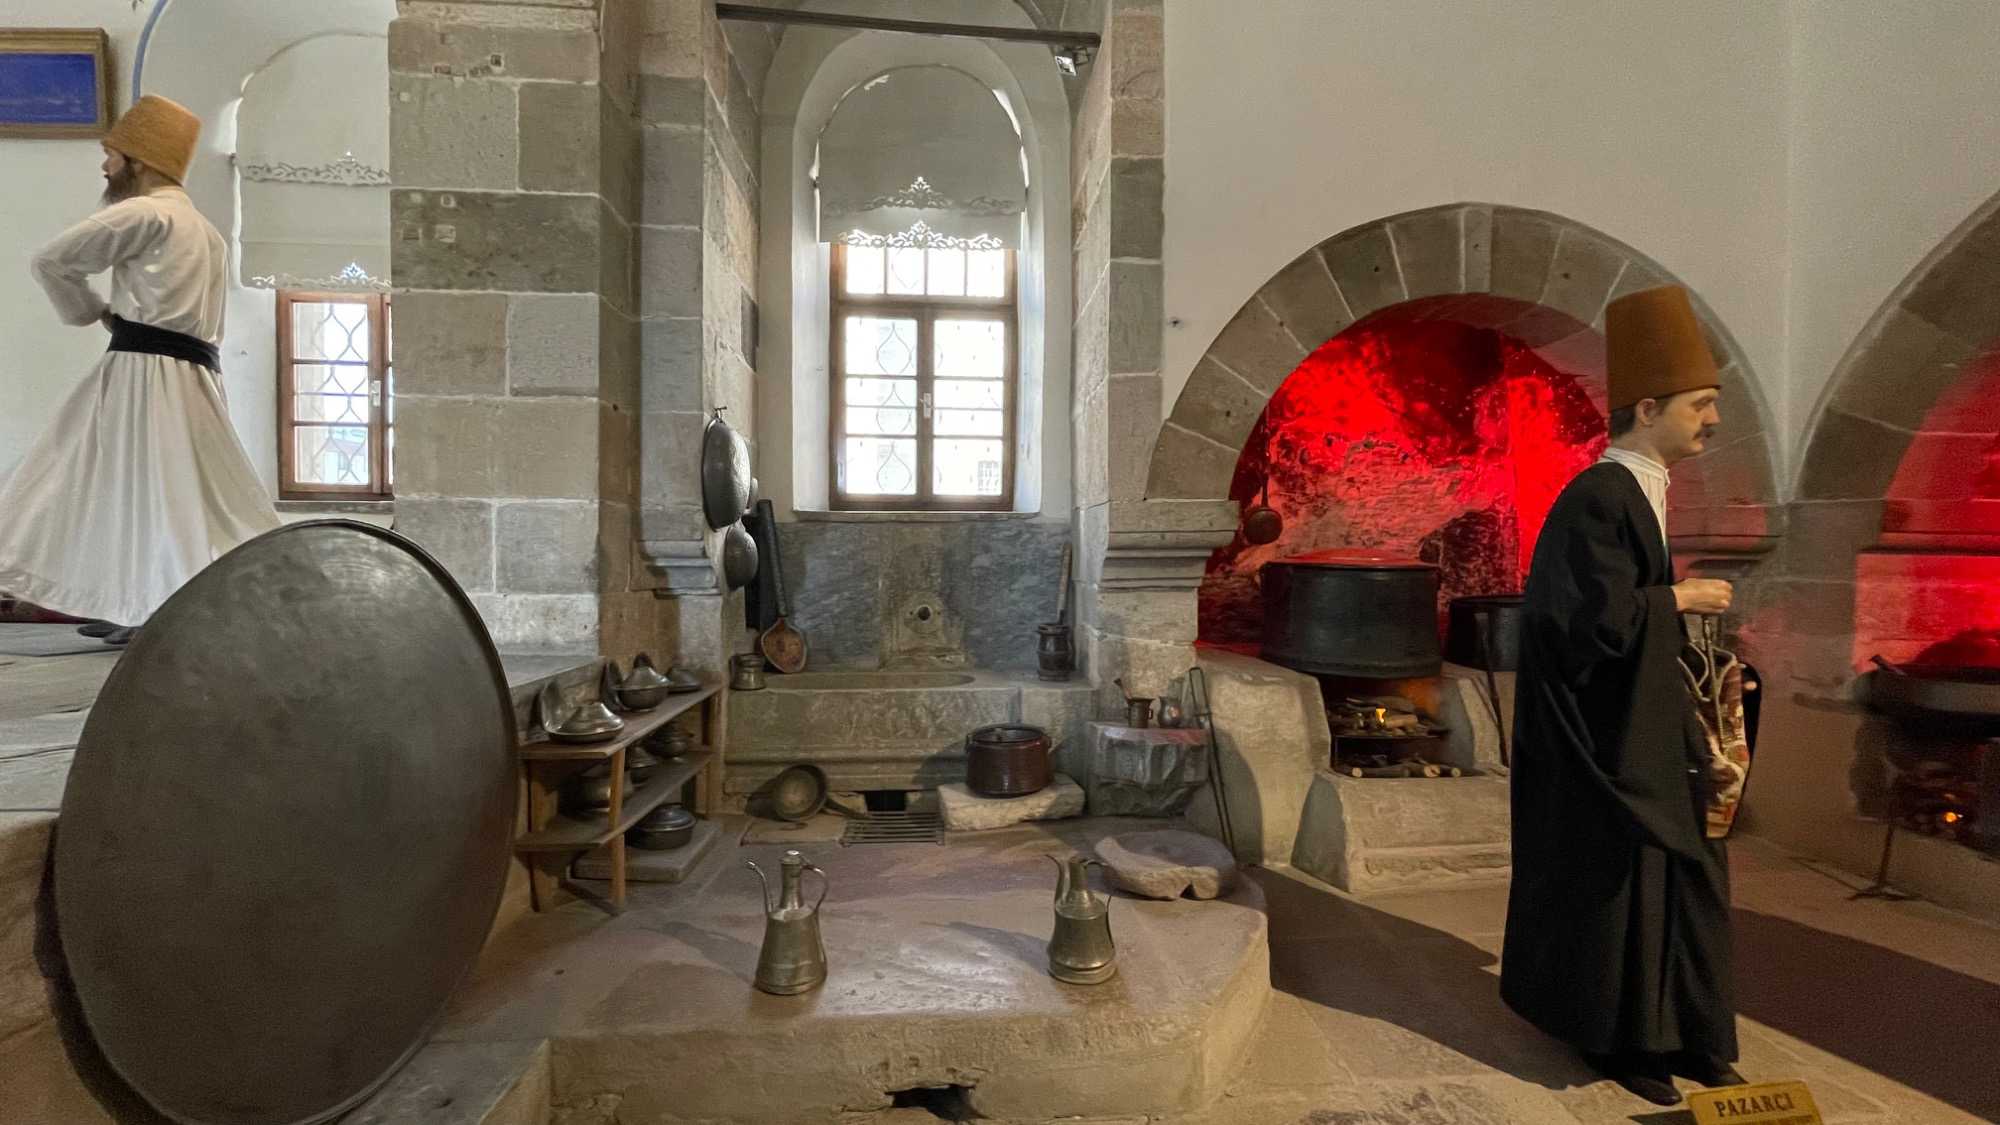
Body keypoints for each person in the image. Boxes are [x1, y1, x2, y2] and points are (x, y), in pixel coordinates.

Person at [1500, 285, 1741, 1106]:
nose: (1713, 419)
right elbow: (1580, 624)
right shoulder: (1597, 496)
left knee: (1689, 870)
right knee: (1625, 879)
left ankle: (1693, 1034)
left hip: (1647, 724)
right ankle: (1627, 1039)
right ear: (1648, 408)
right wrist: (1678, 599)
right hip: (1605, 743)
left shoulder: (1642, 490)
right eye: (1700, 404)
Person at [0, 95, 277, 645]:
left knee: (137, 488)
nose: (105, 166)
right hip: (194, 376)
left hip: (146, 375)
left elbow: (51, 260)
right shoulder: (206, 231)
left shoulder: (145, 213)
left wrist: (91, 312)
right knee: (159, 491)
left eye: (112, 154)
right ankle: (136, 601)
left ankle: (156, 608)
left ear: (140, 160)